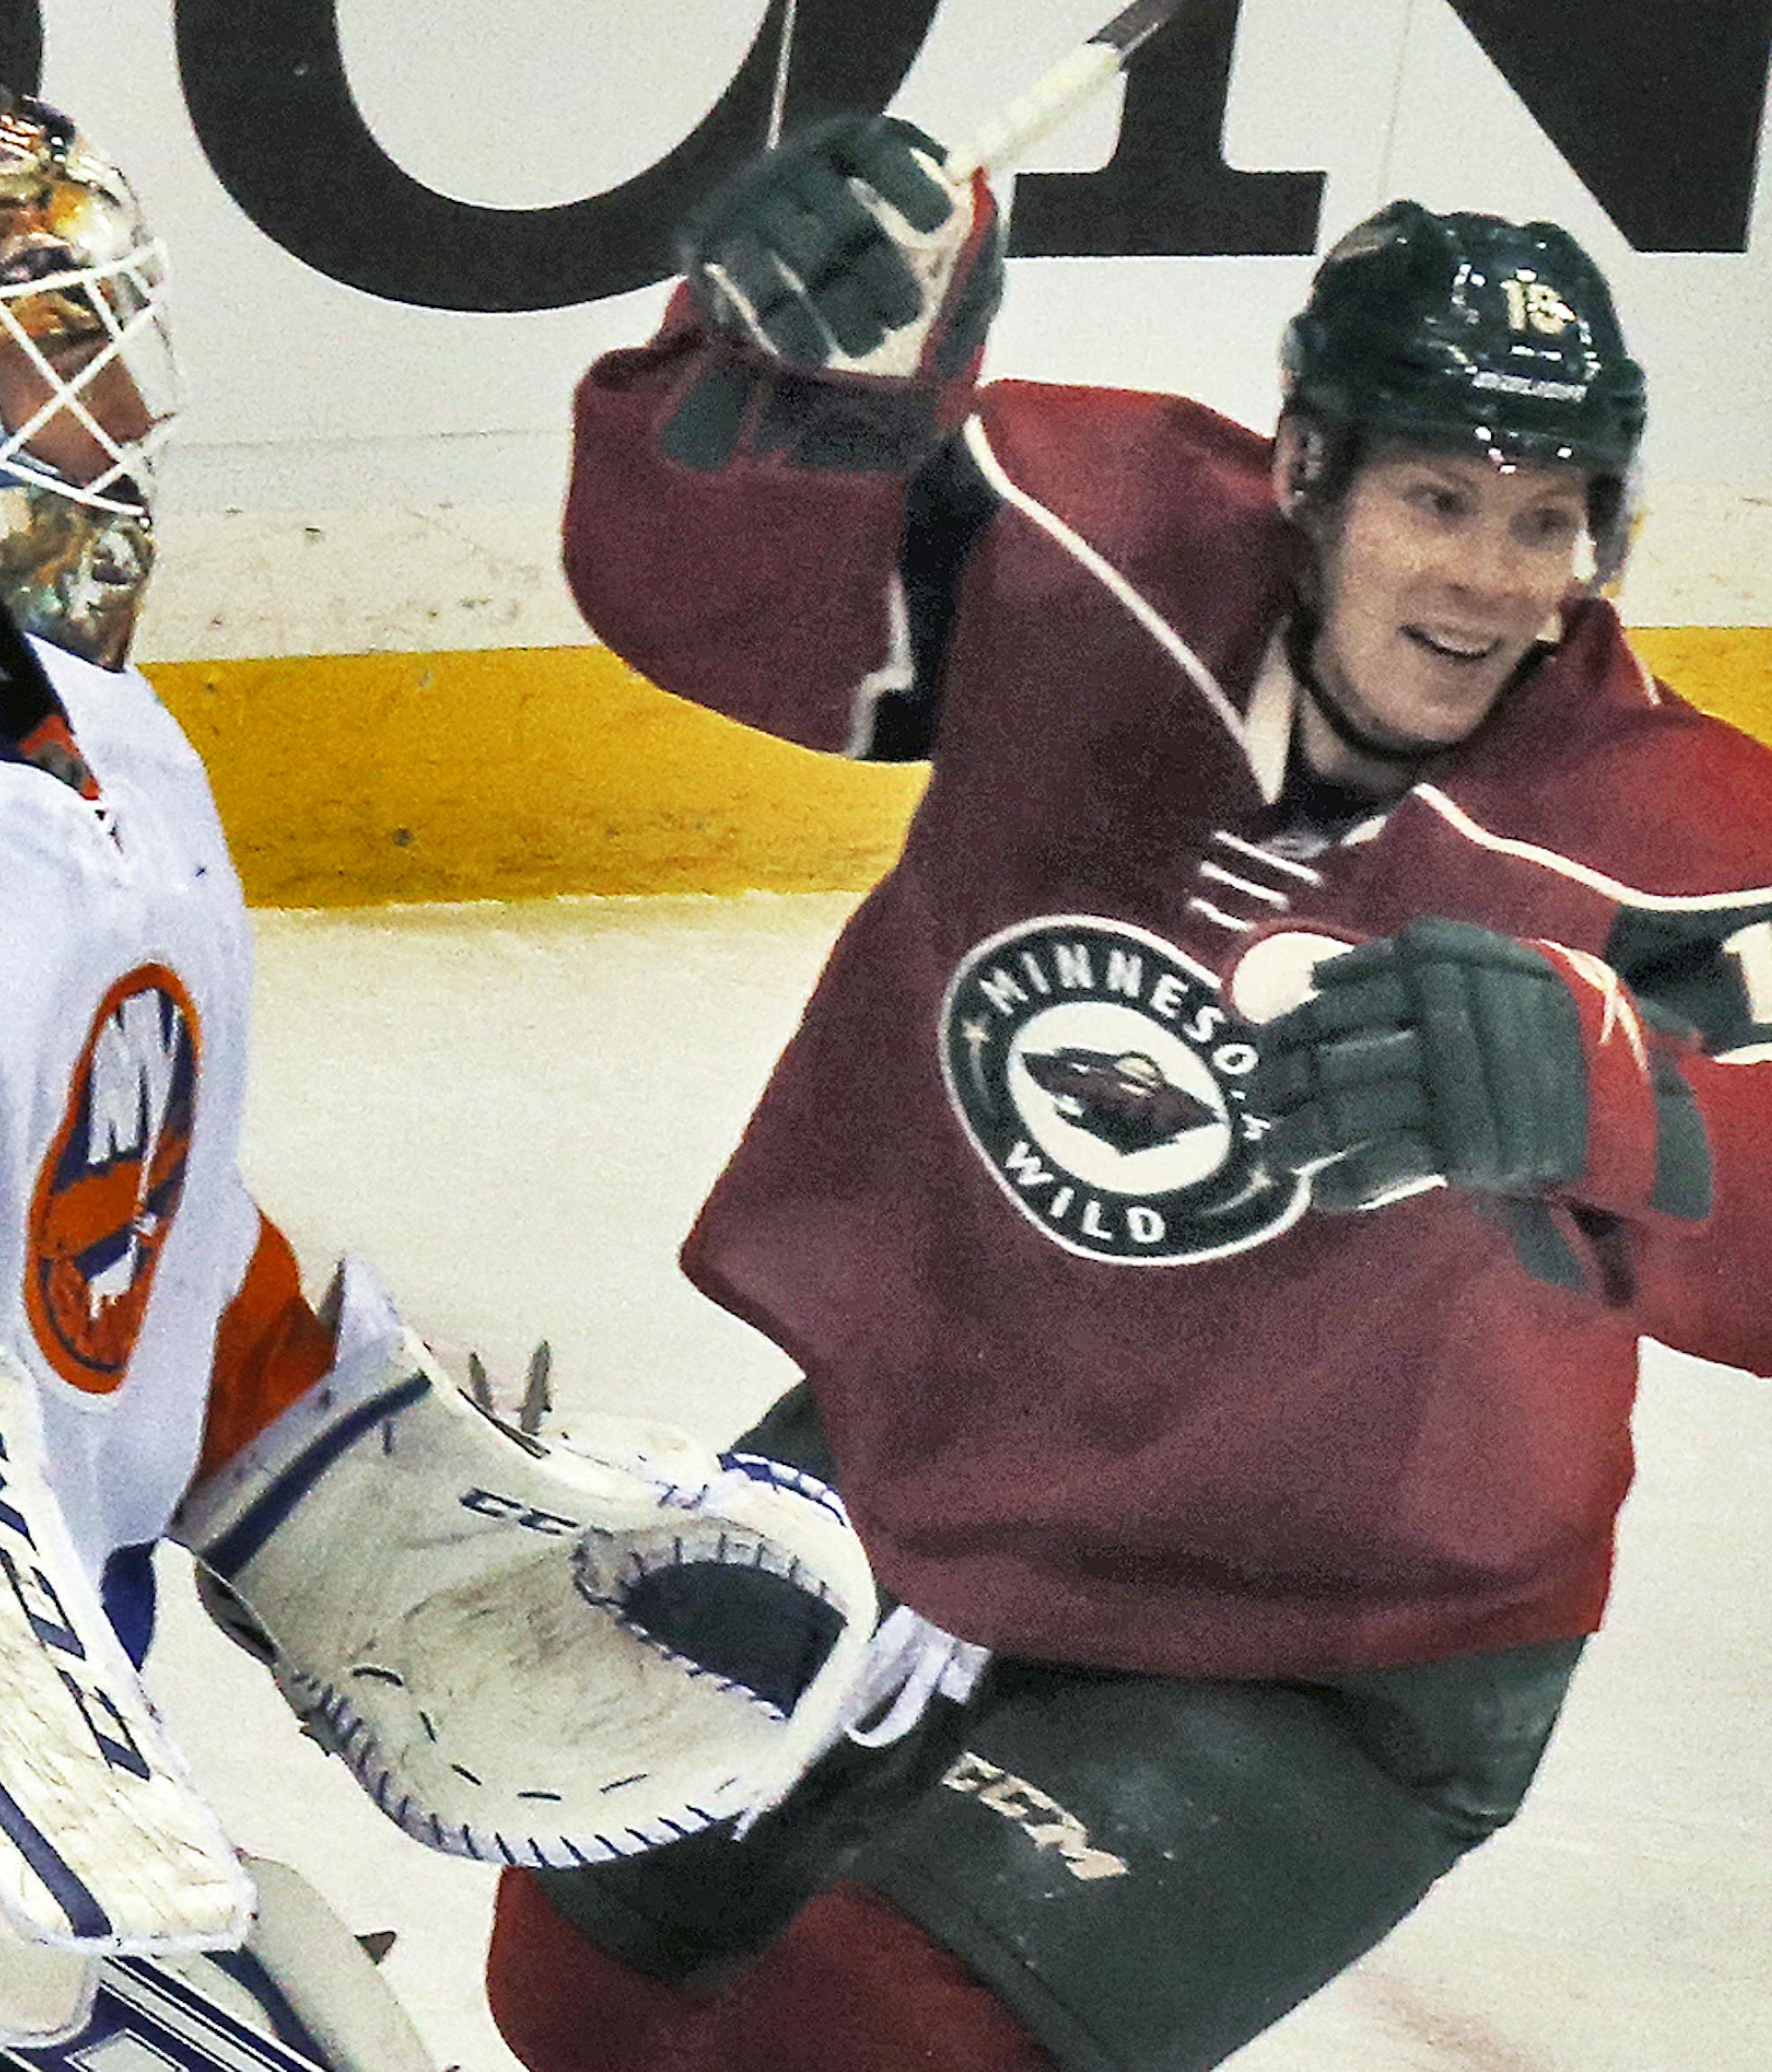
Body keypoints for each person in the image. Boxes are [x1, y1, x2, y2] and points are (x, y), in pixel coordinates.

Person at [485, 112, 1772, 2072]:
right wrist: (773, 386)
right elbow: (706, 601)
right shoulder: (1084, 533)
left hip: (1336, 1631)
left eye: (1550, 517)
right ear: (1313, 474)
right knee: (575, 1959)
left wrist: (1619, 1102)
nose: (1501, 580)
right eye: (1443, 500)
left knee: (862, 2046)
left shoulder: (1675, 835)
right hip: (921, 1453)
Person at [0, 57, 882, 2071]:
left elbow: (111, 1207)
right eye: (46, 348)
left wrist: (334, 1476)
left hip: (31, 1750)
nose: (126, 413)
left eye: (102, 337)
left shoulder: (87, 733)